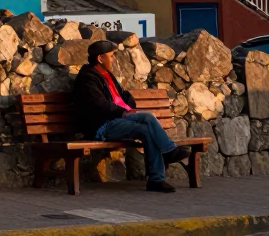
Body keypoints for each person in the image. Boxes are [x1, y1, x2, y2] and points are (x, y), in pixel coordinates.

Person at [73, 40, 189, 193]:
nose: (114, 59)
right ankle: (159, 173)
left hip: (116, 119)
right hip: (101, 125)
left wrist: (127, 107)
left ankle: (166, 154)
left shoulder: (106, 75)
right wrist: (122, 112)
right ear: (100, 58)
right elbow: (99, 105)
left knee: (147, 119)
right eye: (111, 56)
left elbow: (125, 96)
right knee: (146, 130)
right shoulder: (88, 78)